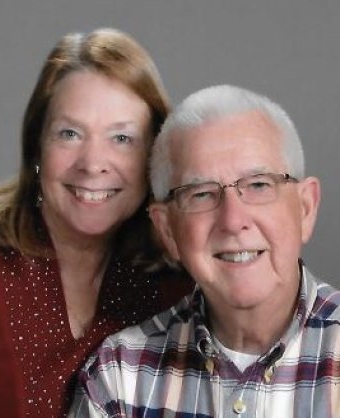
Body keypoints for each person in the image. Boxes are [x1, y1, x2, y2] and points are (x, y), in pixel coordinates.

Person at [0, 28, 193, 418]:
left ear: (154, 154)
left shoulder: (181, 282)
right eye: (70, 133)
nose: (93, 163)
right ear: (36, 144)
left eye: (122, 138)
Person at [71, 85, 340, 417]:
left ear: (305, 208)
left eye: (258, 185)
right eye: (200, 194)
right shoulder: (120, 376)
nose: (233, 220)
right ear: (167, 230)